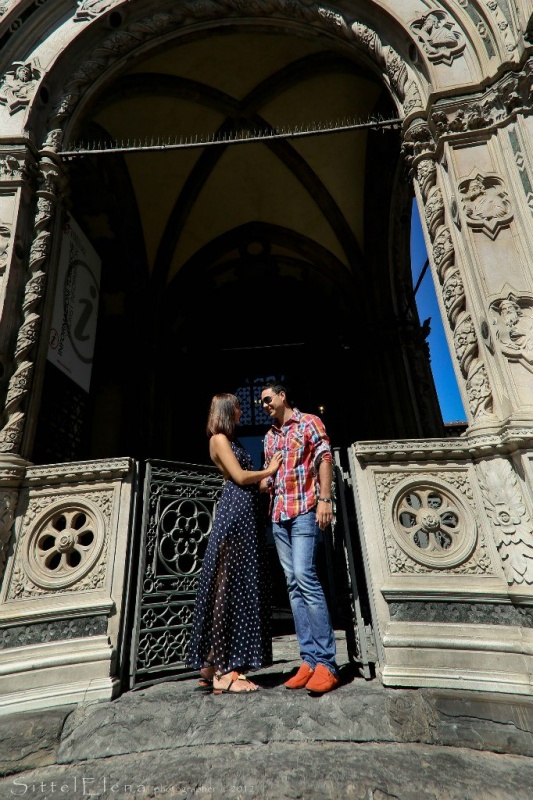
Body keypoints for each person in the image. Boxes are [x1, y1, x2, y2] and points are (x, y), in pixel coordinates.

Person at [186, 393, 282, 694]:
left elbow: (249, 482)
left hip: (245, 514)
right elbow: (239, 477)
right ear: (227, 411)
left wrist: (267, 481)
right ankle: (225, 671)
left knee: (233, 587)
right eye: (238, 408)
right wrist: (269, 470)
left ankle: (211, 663)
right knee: (228, 589)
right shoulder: (218, 439)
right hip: (236, 517)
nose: (242, 412)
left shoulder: (231, 440)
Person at [261, 382, 340, 694]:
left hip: (305, 509)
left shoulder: (309, 422)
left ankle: (327, 663)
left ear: (282, 396)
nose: (265, 405)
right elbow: (267, 478)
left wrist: (325, 499)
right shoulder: (269, 436)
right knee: (292, 584)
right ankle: (307, 660)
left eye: (268, 399)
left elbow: (324, 458)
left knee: (305, 576)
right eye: (261, 402)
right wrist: (265, 479)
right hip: (278, 515)